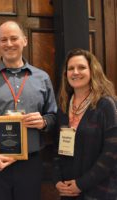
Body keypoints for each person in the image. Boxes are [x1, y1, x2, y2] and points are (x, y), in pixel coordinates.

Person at [0, 20, 57, 200]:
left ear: (25, 40)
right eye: (3, 39)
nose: (9, 44)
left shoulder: (42, 78)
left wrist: (44, 122)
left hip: (31, 163)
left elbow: (53, 116)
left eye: (14, 38)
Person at [53, 48, 117, 200]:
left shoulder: (106, 105)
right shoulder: (63, 106)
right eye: (71, 68)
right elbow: (58, 149)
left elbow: (111, 153)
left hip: (100, 190)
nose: (75, 72)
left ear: (92, 71)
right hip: (69, 190)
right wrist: (57, 180)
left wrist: (81, 184)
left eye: (81, 67)